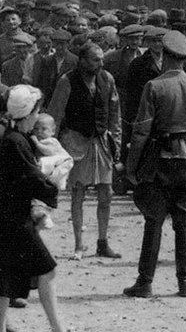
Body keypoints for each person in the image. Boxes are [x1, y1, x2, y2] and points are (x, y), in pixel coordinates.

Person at [0, 85, 66, 332]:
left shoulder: (3, 134)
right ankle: (57, 328)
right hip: (13, 221)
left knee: (1, 280)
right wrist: (53, 185)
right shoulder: (15, 140)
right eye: (35, 112)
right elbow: (32, 178)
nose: (37, 117)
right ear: (27, 112)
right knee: (47, 270)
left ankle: (1, 328)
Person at [124, 31, 186, 298]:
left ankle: (145, 282)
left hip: (159, 160)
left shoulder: (153, 86)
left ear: (164, 55)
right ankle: (184, 282)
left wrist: (132, 166)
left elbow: (140, 133)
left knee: (153, 221)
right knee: (184, 224)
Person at [47, 42, 122, 260]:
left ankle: (102, 242)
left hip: (100, 142)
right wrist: (55, 149)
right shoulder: (67, 81)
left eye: (101, 59)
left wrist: (115, 142)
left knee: (106, 193)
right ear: (82, 60)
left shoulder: (107, 79)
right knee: (78, 193)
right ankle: (79, 245)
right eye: (95, 59)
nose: (100, 63)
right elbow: (55, 114)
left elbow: (115, 114)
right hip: (76, 142)